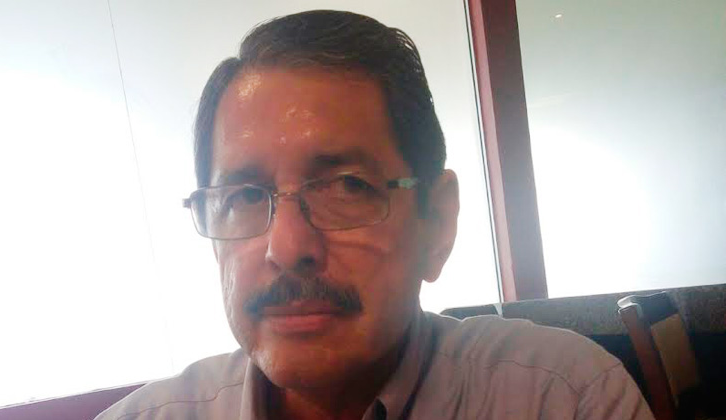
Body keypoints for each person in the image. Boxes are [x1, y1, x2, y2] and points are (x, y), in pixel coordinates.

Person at [97, 10, 653, 420]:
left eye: (346, 186)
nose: (287, 248)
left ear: (437, 223)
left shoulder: (562, 399)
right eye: (244, 197)